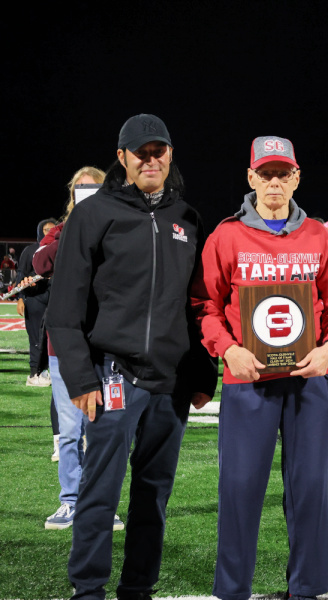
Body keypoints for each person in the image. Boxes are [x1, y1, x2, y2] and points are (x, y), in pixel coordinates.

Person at [45, 114, 216, 600]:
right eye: (140, 151)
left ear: (169, 155)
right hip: (112, 375)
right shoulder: (93, 214)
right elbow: (64, 309)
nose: (150, 159)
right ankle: (89, 589)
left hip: (171, 383)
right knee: (100, 493)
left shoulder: (186, 217)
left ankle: (138, 587)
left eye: (158, 150)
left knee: (154, 495)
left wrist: (203, 372)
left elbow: (195, 303)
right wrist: (81, 378)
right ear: (121, 158)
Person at [192, 135, 328, 600]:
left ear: (297, 177)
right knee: (239, 491)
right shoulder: (227, 235)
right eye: (266, 174)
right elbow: (204, 304)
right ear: (250, 178)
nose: (275, 183)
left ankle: (307, 588)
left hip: (308, 381)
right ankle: (233, 589)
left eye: (283, 174)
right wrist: (227, 349)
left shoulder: (319, 236)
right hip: (249, 381)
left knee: (309, 490)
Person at [36, 166, 127, 531]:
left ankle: (103, 503)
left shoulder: (120, 225)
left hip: (109, 346)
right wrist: (76, 228)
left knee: (105, 431)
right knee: (71, 430)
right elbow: (40, 262)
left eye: (96, 189)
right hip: (66, 348)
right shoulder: (60, 230)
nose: (87, 194)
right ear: (72, 194)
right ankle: (70, 501)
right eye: (81, 189)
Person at [16, 218, 57, 387]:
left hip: (55, 299)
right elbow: (21, 274)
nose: (50, 233)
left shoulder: (59, 249)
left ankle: (49, 372)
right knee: (36, 337)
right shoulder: (31, 250)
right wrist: (20, 298)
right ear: (40, 231)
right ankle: (34, 373)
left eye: (53, 229)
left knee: (54, 338)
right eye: (46, 230)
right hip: (34, 299)